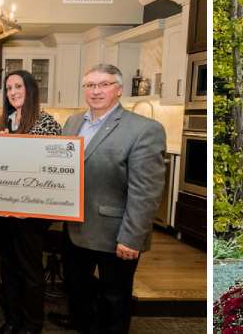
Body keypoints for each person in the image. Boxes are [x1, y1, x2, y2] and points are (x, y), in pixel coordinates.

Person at [61, 64, 166, 334]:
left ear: (119, 90)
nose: (96, 91)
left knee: (115, 300)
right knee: (78, 294)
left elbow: (145, 191)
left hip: (116, 234)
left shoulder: (144, 129)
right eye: (90, 85)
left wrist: (132, 237)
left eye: (104, 84)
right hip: (75, 228)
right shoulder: (73, 123)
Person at [0, 70, 62, 334]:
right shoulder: (5, 121)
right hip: (4, 212)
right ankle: (12, 320)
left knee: (30, 271)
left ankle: (33, 325)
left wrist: (9, 143)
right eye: (8, 88)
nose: (12, 92)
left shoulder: (46, 122)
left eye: (18, 86)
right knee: (8, 268)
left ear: (30, 89)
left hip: (31, 214)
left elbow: (48, 164)